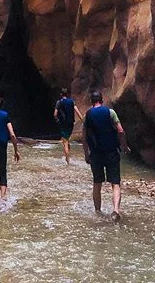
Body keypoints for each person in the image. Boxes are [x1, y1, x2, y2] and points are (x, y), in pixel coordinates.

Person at [82, 90, 130, 222]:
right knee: (115, 183)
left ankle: (98, 212)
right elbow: (120, 131)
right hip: (111, 152)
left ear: (92, 102)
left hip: (96, 154)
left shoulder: (88, 115)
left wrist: (87, 155)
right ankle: (115, 210)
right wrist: (124, 146)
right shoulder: (110, 112)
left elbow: (84, 138)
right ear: (101, 100)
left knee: (97, 183)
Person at [54, 88, 84, 165]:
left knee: (65, 142)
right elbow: (77, 112)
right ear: (67, 94)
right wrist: (83, 121)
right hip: (71, 124)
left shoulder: (59, 102)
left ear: (61, 94)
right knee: (67, 140)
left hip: (63, 124)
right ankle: (68, 156)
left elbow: (55, 114)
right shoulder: (72, 102)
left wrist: (57, 120)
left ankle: (67, 161)